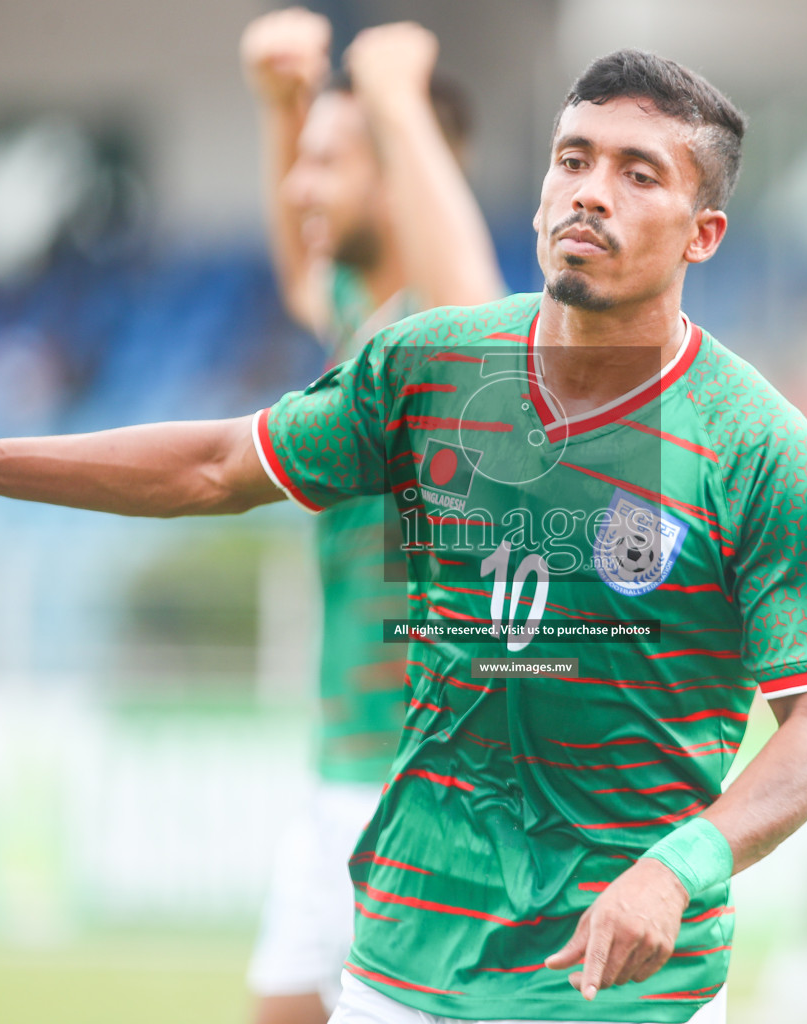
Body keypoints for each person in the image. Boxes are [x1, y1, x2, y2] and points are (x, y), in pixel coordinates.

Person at [0, 49, 807, 1024]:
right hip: (407, 956)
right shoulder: (425, 365)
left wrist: (683, 864)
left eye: (638, 172)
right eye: (572, 157)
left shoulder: (756, 442)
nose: (590, 190)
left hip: (628, 992)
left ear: (704, 232)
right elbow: (217, 465)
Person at [238, 10, 504, 1023]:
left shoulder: (457, 346)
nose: (303, 187)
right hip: (337, 776)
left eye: (328, 163)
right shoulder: (366, 325)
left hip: (422, 791)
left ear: (399, 170)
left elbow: (472, 304)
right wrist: (283, 110)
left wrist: (393, 94)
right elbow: (304, 269)